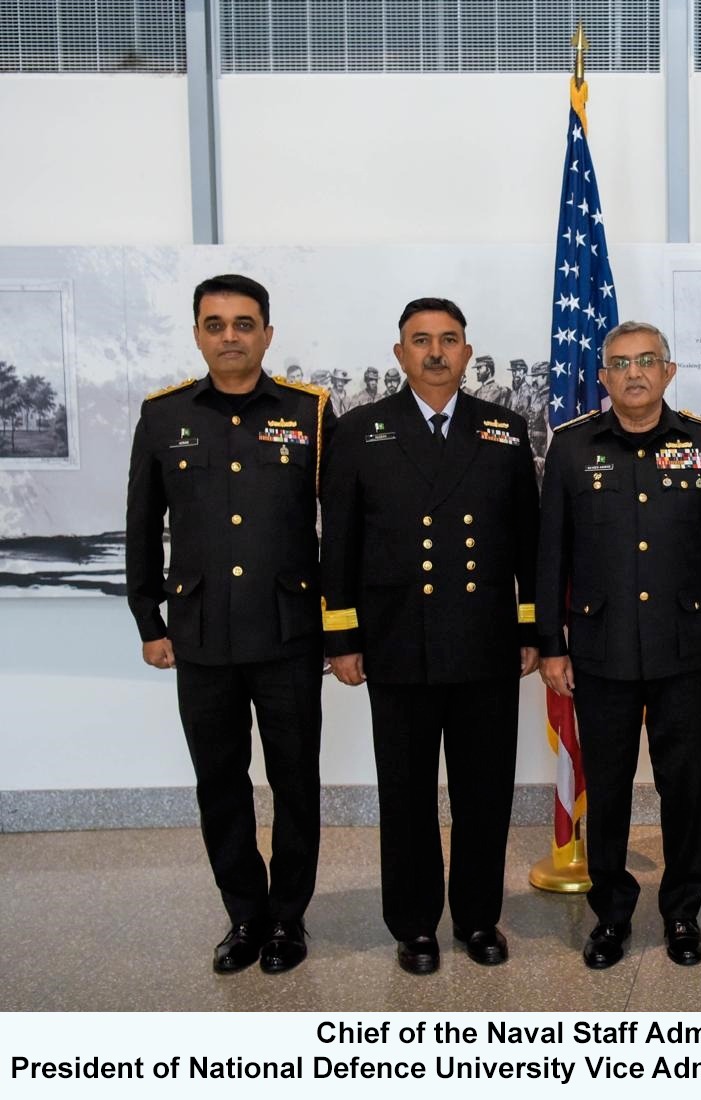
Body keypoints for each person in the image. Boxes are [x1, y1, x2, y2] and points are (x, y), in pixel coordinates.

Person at [320, 297, 540, 975]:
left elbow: (528, 540)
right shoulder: (360, 431)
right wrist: (342, 637)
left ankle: (477, 918)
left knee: (485, 792)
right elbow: (339, 542)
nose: (436, 352)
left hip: (485, 642)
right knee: (407, 794)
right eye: (421, 340)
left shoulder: (504, 429)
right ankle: (414, 924)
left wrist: (530, 625)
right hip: (396, 642)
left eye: (448, 339)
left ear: (467, 353)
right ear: (400, 354)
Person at [125, 273, 329, 975]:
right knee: (219, 781)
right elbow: (141, 524)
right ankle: (245, 915)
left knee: (295, 780)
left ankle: (288, 918)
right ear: (197, 335)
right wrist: (149, 619)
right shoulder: (164, 416)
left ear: (267, 334)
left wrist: (340, 627)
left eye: (244, 324)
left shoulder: (309, 412)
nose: (230, 336)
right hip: (201, 632)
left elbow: (341, 527)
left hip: (289, 631)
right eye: (215, 325)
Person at [538, 321, 701, 970]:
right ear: (603, 377)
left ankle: (682, 912)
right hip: (599, 651)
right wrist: (551, 645)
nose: (634, 373)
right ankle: (611, 915)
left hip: (683, 650)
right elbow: (550, 558)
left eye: (647, 361)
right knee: (607, 788)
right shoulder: (572, 448)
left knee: (685, 787)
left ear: (668, 371)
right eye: (621, 363)